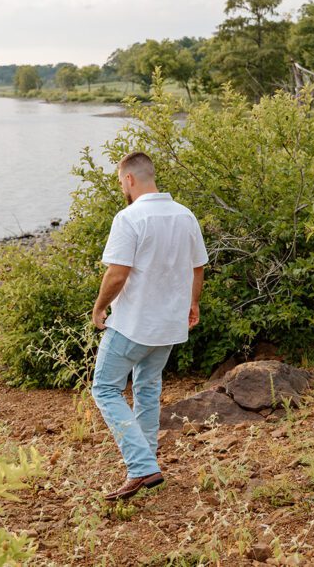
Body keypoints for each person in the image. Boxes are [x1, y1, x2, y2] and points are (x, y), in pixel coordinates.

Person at [90, 152, 208, 502]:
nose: (122, 188)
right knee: (146, 389)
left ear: (129, 179)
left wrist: (99, 308)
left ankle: (141, 467)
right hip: (169, 324)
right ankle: (145, 467)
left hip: (134, 324)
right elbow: (197, 267)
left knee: (105, 388)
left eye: (120, 182)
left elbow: (117, 272)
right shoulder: (185, 215)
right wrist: (193, 303)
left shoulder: (129, 218)